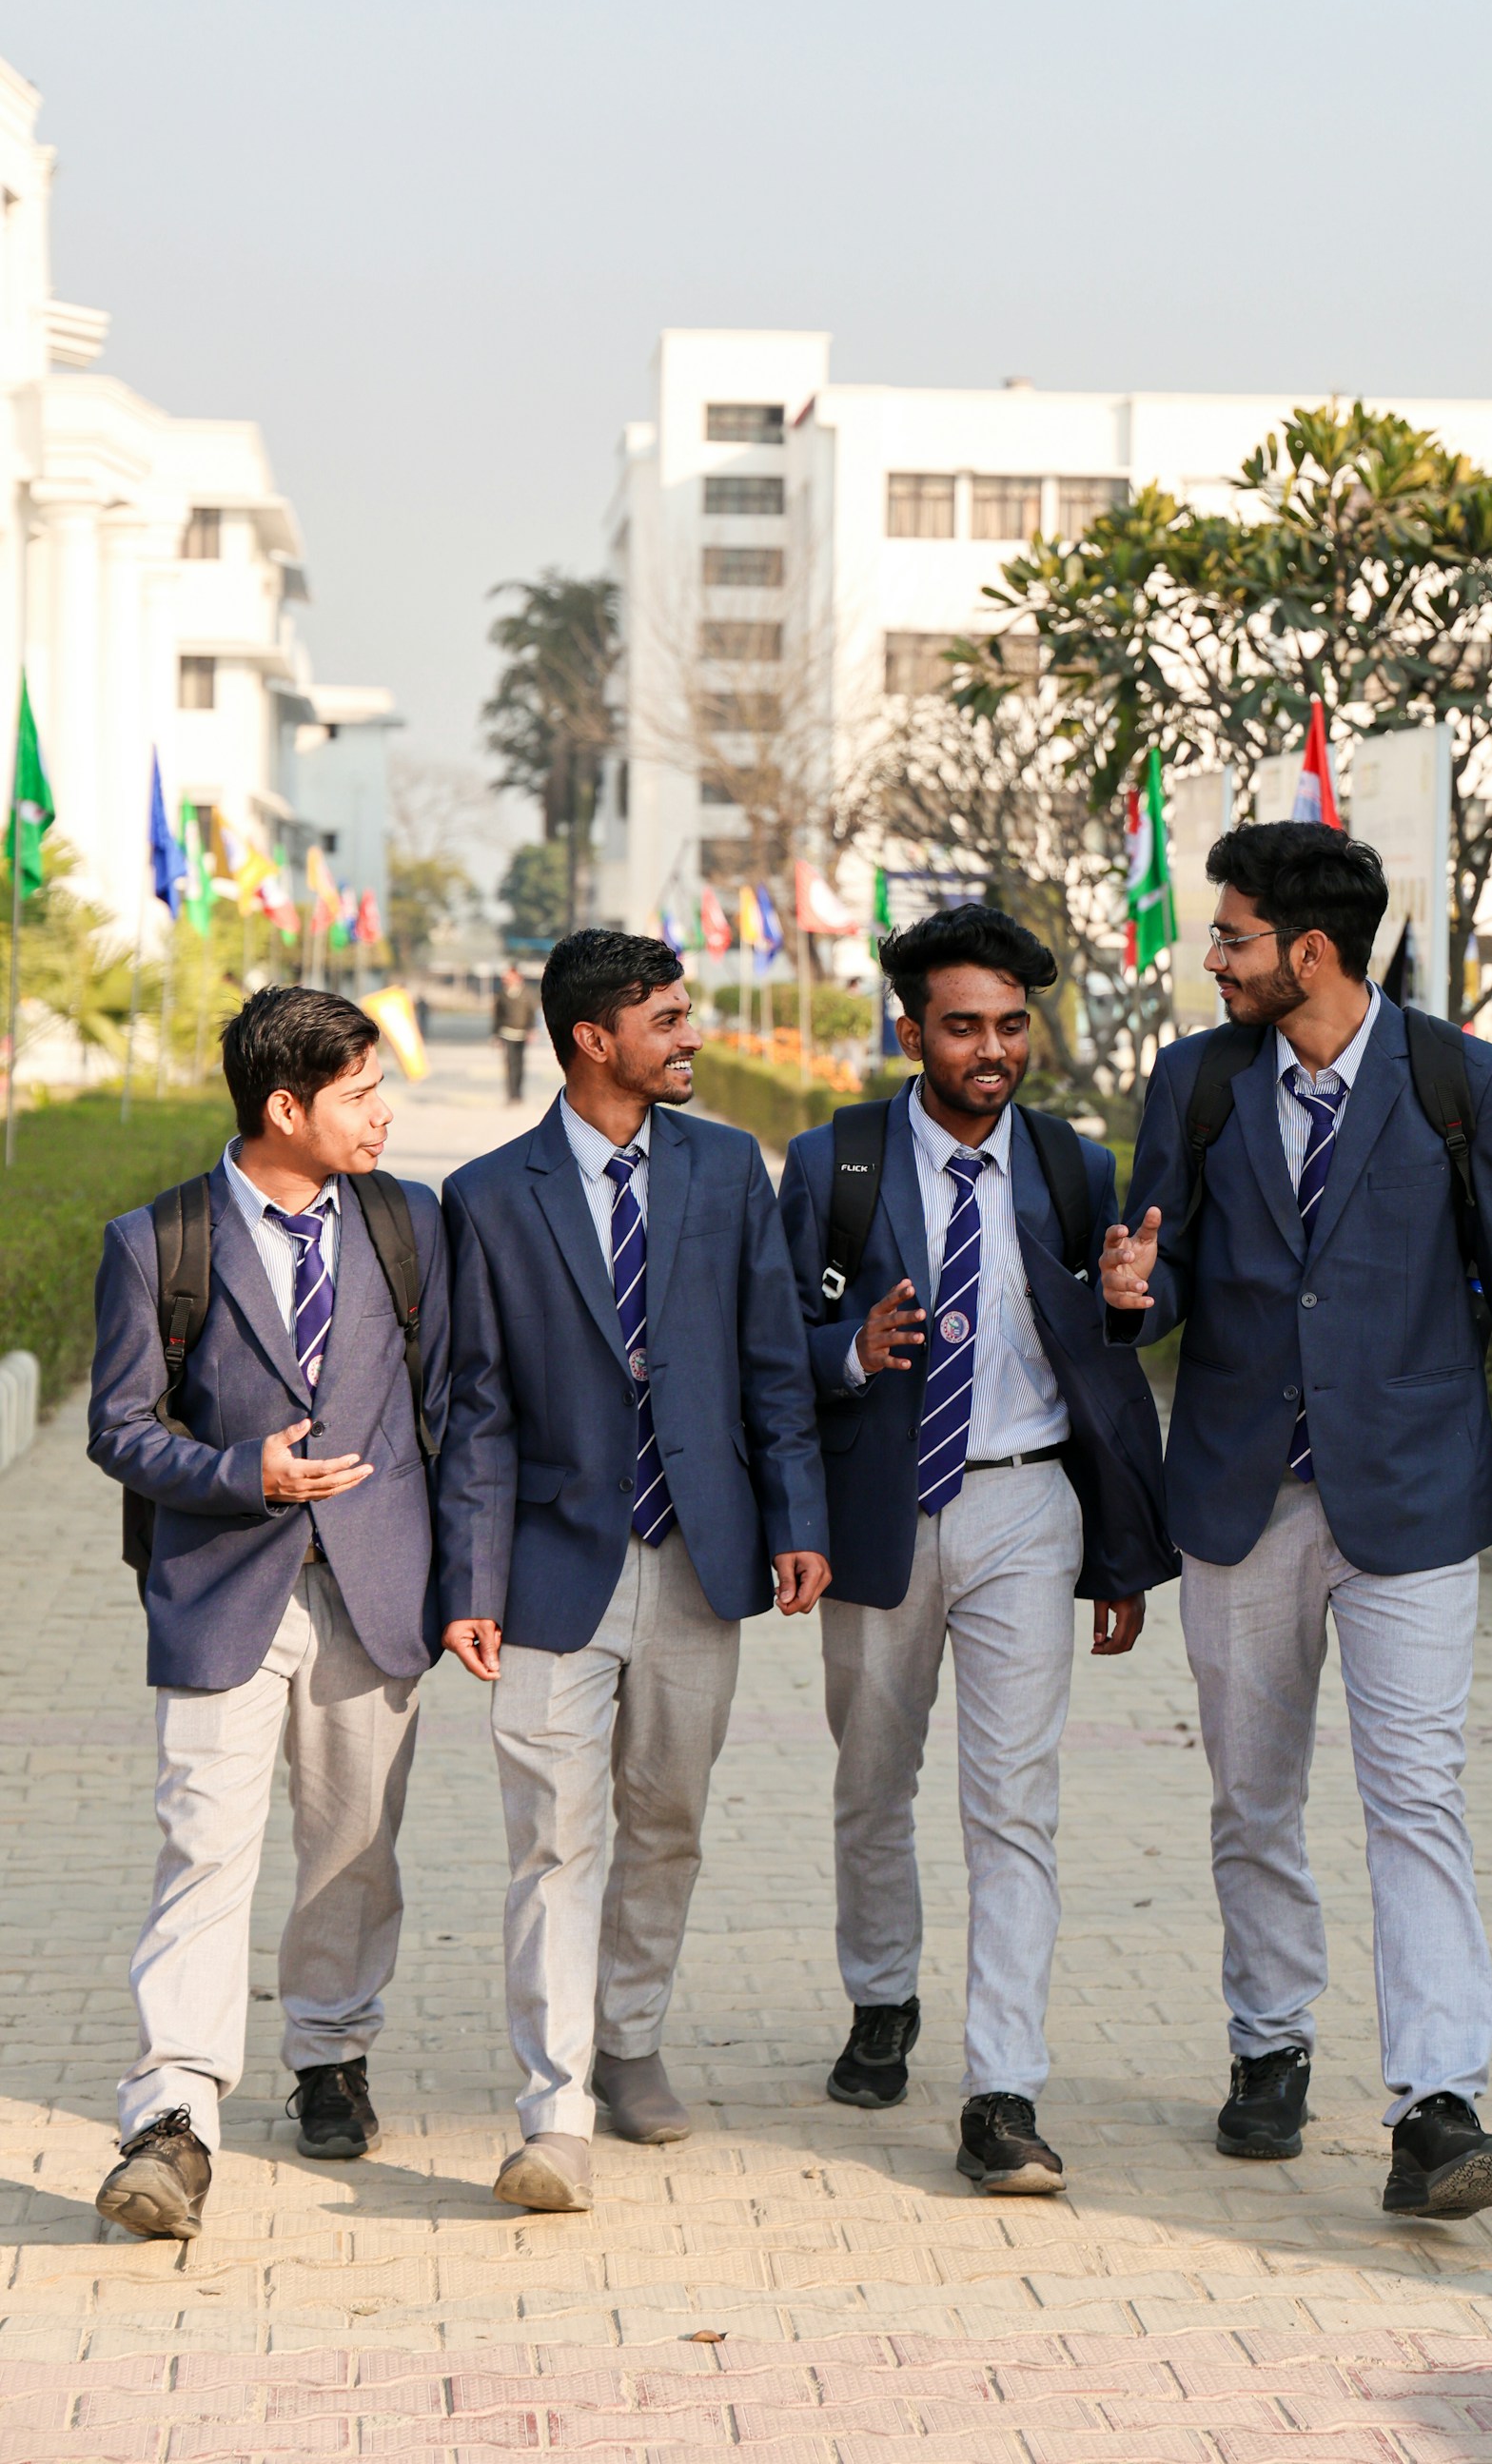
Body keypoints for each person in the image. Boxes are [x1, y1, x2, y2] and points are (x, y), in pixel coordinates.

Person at [1102, 822, 1492, 2221]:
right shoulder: (1195, 1082)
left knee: (1418, 1798)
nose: (1213, 959)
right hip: (1237, 1498)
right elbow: (1166, 1276)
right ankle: (1270, 2043)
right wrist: (1137, 1289)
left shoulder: (1464, 1088)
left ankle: (1437, 2105)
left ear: (1307, 951)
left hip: (1413, 1503)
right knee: (1252, 1796)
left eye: (1233, 938)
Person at [777, 906, 1176, 2199]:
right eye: (965, 1026)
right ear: (912, 1033)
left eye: (1012, 1024)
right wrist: (852, 1352)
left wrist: (1131, 1304)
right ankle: (881, 1996)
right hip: (881, 1509)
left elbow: (1114, 1349)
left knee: (1014, 1803)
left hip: (1022, 1508)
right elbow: (775, 1347)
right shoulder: (833, 1164)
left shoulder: (1072, 1167)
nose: (994, 1049)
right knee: (871, 1779)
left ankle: (1004, 2090)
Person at [439, 929, 830, 2214]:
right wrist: (471, 1581)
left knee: (664, 1822)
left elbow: (773, 1358)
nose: (691, 1037)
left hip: (697, 1550)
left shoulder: (727, 1168)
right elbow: (478, 1408)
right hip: (553, 1563)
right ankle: (553, 2114)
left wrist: (795, 1516)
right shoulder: (491, 1195)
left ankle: (631, 2039)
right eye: (667, 1019)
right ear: (593, 1039)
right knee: (555, 1840)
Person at [87, 988, 450, 2240]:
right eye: (360, 1093)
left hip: (377, 1588)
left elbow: (454, 1408)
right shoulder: (159, 1240)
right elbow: (121, 1428)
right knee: (204, 1847)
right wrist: (246, 1473)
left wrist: (469, 1588)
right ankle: (172, 2110)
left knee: (353, 1846)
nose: (384, 1114)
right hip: (218, 1592)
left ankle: (331, 2053)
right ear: (284, 1107)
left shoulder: (409, 1224)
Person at [493, 965, 536, 1105]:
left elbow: (531, 1013)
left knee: (520, 1064)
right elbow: (497, 1016)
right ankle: (511, 1096)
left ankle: (518, 1094)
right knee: (510, 1064)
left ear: (517, 977)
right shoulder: (502, 994)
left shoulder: (527, 993)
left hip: (522, 1033)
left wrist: (532, 1030)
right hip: (507, 1033)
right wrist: (495, 1034)